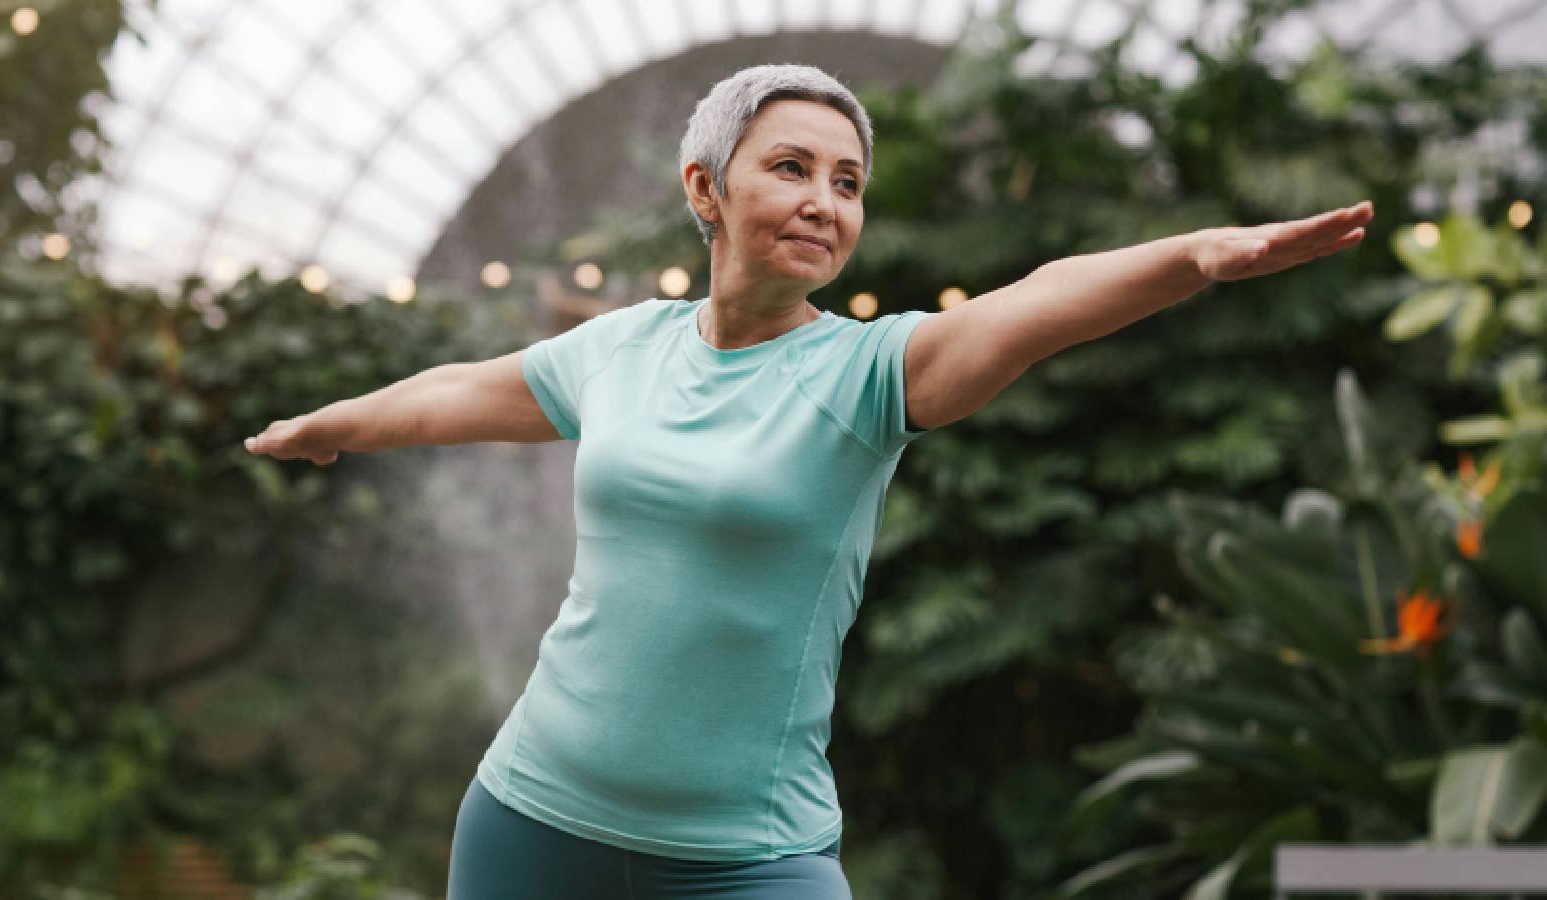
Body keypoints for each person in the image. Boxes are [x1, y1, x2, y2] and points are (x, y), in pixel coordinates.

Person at [244, 63, 1373, 899]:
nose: (825, 202)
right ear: (707, 187)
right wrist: (329, 423)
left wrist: (1191, 256)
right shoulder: (620, 348)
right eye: (790, 168)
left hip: (750, 861)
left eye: (847, 181)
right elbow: (454, 394)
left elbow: (1036, 302)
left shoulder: (872, 374)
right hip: (531, 824)